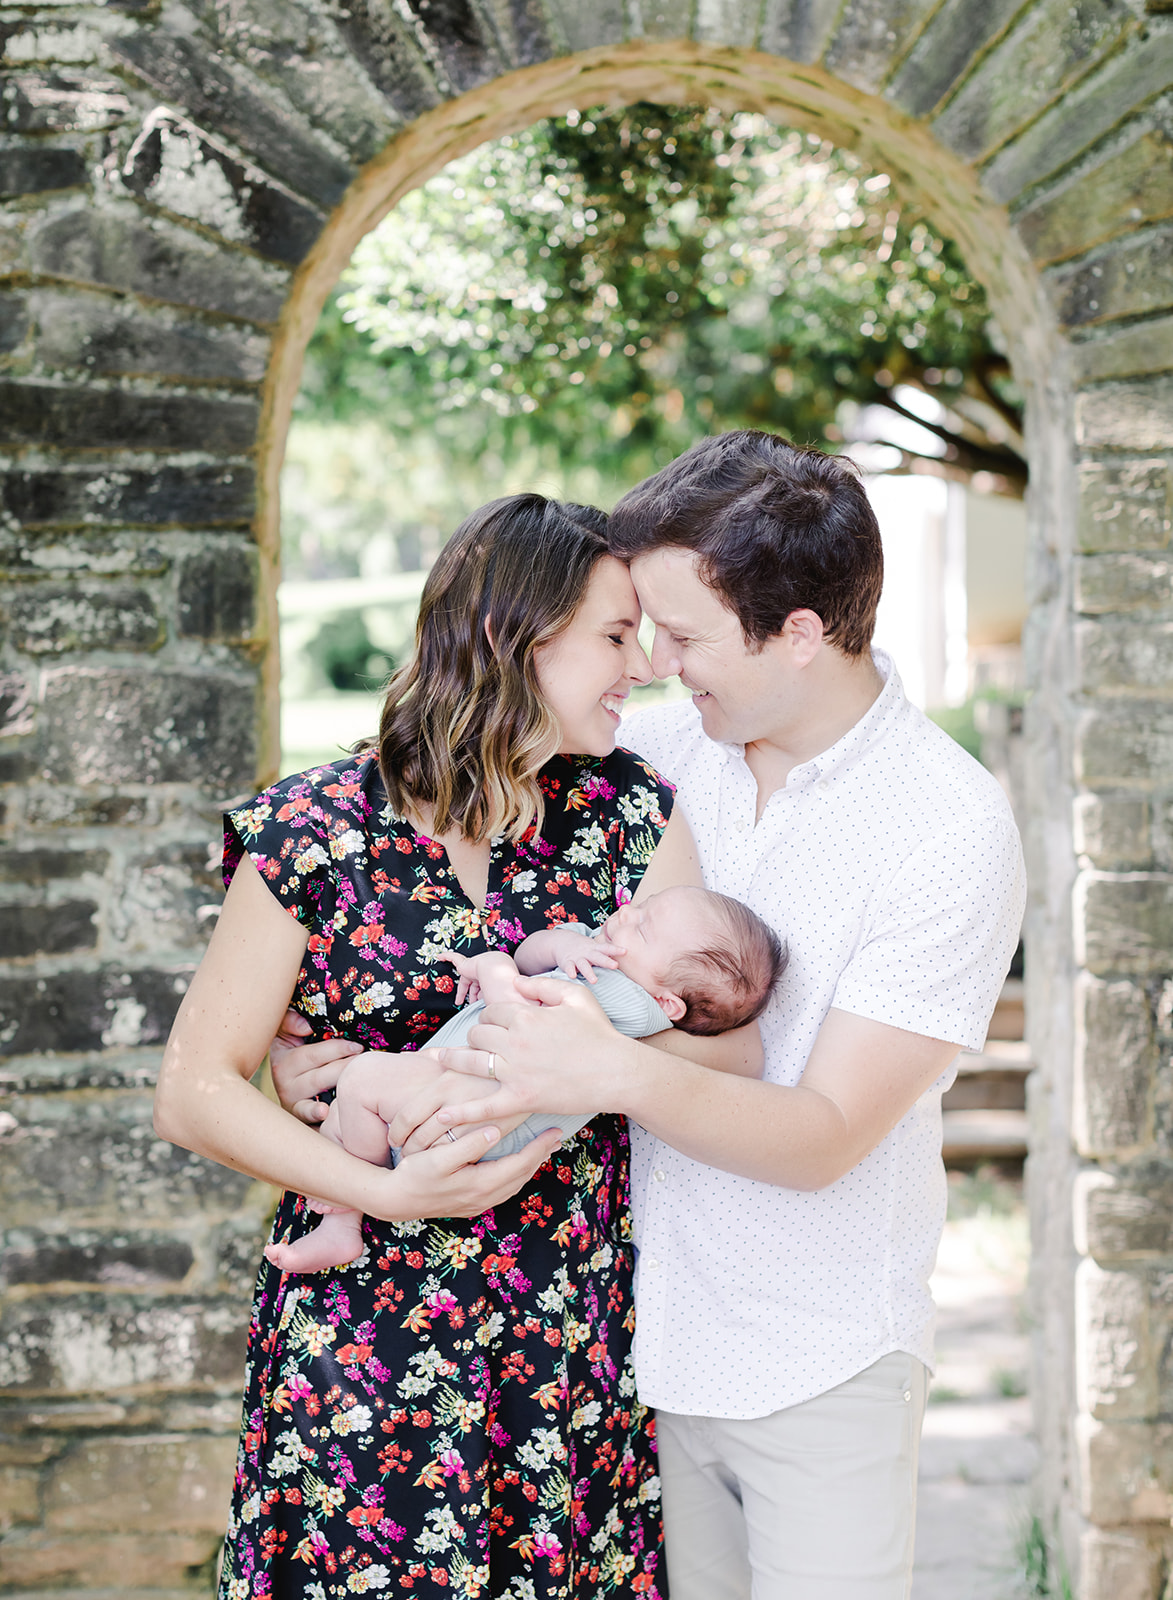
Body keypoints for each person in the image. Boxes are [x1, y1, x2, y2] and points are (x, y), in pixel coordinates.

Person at [394, 433, 1028, 1600]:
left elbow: (829, 1130)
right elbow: (450, 785)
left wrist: (605, 1072)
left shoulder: (949, 826)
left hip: (820, 1360)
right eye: (642, 632)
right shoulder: (660, 747)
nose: (653, 663)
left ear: (798, 634)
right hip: (638, 1346)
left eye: (681, 638)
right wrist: (321, 1008)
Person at [154, 492, 761, 1600]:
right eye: (615, 638)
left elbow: (732, 1054)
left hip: (567, 1341)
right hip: (366, 1341)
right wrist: (376, 1192)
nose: (644, 667)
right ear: (509, 635)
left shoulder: (631, 814)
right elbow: (194, 1090)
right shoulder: (316, 829)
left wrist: (601, 1060)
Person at [266, 887, 786, 1273]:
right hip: (452, 1099)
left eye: (643, 928)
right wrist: (559, 947)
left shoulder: (632, 1002)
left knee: (360, 1079)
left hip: (475, 1118)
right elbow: (529, 954)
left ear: (667, 1002)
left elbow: (523, 1026)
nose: (626, 914)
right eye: (639, 908)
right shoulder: (601, 958)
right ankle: (342, 1221)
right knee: (352, 1105)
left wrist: (493, 972)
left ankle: (343, 1219)